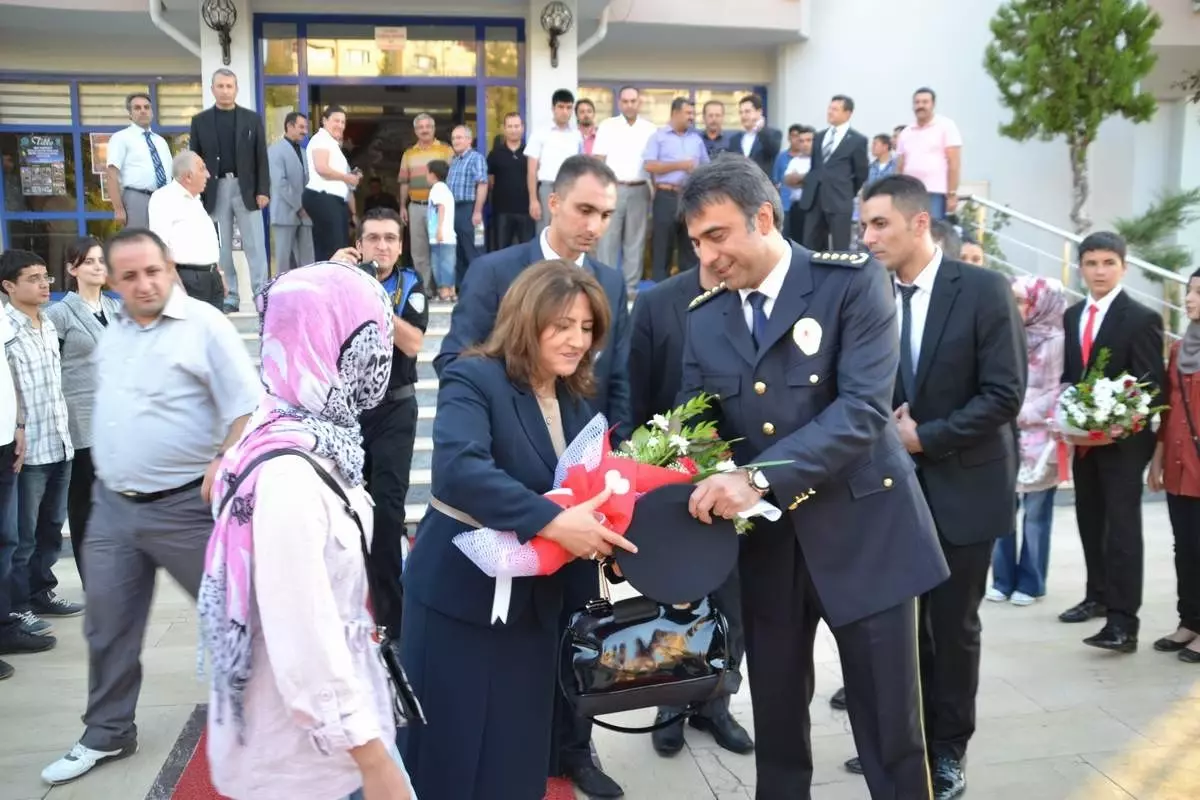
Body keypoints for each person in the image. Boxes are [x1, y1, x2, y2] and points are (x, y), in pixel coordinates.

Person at [677, 158, 948, 799]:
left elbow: (861, 411)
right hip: (770, 549)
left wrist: (756, 479)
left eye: (717, 236)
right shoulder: (705, 316)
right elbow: (696, 422)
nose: (707, 256)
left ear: (763, 217)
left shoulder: (850, 285)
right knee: (777, 726)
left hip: (866, 535)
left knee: (890, 730)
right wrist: (692, 472)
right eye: (695, 242)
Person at [399, 260, 634, 799]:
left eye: (587, 327)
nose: (578, 339)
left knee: (516, 750)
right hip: (460, 599)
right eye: (563, 324)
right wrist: (554, 522)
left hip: (534, 606)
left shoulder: (574, 400)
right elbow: (460, 470)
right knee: (446, 751)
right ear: (527, 318)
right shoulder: (474, 377)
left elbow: (587, 490)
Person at [41, 228, 260, 786]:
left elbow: (250, 408)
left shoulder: (204, 327)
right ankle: (108, 733)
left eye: (153, 271)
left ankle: (268, 723)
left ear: (170, 268)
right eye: (130, 276)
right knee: (107, 624)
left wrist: (224, 460)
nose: (143, 284)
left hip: (188, 507)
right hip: (112, 509)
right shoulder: (114, 329)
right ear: (113, 281)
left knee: (235, 618)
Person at [201, 260, 415, 800]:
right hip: (310, 758)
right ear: (332, 343)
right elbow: (304, 636)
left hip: (333, 728)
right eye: (369, 338)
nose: (380, 359)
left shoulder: (296, 428)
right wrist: (373, 759)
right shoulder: (287, 472)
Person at [860, 174, 1025, 800]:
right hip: (890, 496)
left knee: (951, 630)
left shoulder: (982, 289)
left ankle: (948, 751)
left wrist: (925, 437)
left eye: (880, 224)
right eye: (865, 225)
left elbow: (1004, 394)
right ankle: (905, 747)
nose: (868, 237)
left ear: (919, 223)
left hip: (964, 490)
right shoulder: (869, 294)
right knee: (895, 629)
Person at [628, 251, 754, 759]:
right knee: (673, 599)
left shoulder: (757, 298)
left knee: (733, 606)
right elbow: (635, 389)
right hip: (672, 481)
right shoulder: (660, 303)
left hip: (746, 486)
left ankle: (716, 704)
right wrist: (645, 467)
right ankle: (669, 705)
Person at [1058, 231, 1164, 654]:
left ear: (1124, 266)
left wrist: (1120, 422)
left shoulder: (1141, 318)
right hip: (1085, 440)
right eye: (1091, 263)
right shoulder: (1072, 315)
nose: (1099, 271)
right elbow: (1071, 375)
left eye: (1108, 263)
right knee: (1088, 518)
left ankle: (1124, 622)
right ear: (1080, 267)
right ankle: (1097, 595)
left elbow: (1152, 384)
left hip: (1123, 442)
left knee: (1121, 529)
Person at [331, 208, 427, 635]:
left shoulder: (409, 285)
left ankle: (393, 622)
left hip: (394, 410)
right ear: (360, 243)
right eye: (373, 238)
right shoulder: (338, 280)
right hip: (347, 413)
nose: (382, 246)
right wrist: (333, 277)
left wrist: (370, 298)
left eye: (390, 238)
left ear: (401, 246)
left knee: (387, 515)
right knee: (342, 514)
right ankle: (344, 611)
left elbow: (413, 342)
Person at [1, 250, 81, 638]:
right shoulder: (6, 330)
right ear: (9, 286)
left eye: (45, 276)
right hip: (27, 449)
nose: (44, 283)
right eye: (33, 278)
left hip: (60, 441)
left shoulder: (48, 324)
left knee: (51, 526)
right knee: (22, 536)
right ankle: (16, 608)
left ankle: (41, 591)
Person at [44, 238, 121, 587]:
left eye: (101, 261)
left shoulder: (116, 309)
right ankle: (94, 579)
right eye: (88, 262)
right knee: (85, 505)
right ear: (72, 269)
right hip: (81, 421)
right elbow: (50, 368)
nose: (97, 267)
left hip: (118, 422)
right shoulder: (59, 314)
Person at [988, 276, 1067, 607]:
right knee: (1001, 510)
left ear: (1040, 303)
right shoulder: (1005, 334)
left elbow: (1056, 389)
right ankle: (1002, 579)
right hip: (1005, 435)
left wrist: (1018, 410)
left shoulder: (1057, 340)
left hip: (1040, 437)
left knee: (1036, 515)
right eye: (1014, 300)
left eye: (1023, 300)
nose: (1017, 307)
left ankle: (1032, 582)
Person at [1149, 267, 1200, 664]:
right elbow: (1168, 413)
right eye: (1189, 291)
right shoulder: (1179, 348)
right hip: (1181, 467)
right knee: (1185, 547)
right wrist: (1156, 462)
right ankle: (1189, 622)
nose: (1189, 299)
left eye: (1198, 292)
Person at [188, 68, 270, 312]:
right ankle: (229, 296)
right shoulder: (200, 121)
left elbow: (261, 157)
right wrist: (197, 193)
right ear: (212, 89)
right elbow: (195, 158)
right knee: (221, 247)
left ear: (236, 89)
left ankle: (261, 295)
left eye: (229, 86)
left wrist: (263, 189)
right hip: (215, 188)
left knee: (255, 245)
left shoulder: (251, 119)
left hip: (247, 189)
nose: (225, 91)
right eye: (220, 86)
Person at [0, 254, 45, 679]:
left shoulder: (13, 321)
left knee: (9, 539)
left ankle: (6, 622)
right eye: (32, 278)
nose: (42, 284)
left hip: (6, 439)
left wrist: (17, 425)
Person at [593, 86, 657, 293]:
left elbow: (653, 163)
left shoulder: (650, 129)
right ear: (620, 103)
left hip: (640, 189)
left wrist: (654, 191)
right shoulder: (608, 126)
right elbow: (598, 161)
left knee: (635, 242)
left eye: (633, 101)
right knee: (607, 241)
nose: (629, 105)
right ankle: (607, 289)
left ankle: (630, 290)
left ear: (639, 103)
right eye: (625, 101)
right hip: (612, 190)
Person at [643, 97, 709, 282]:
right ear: (675, 113)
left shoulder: (696, 139)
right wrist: (680, 165)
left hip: (690, 198)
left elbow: (706, 167)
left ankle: (690, 294)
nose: (691, 117)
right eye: (688, 113)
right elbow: (650, 166)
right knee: (662, 246)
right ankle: (659, 293)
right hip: (666, 196)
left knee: (690, 246)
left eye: (692, 114)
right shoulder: (658, 137)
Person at [148, 151, 225, 310]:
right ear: (188, 176)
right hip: (188, 279)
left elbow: (205, 240)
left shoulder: (196, 199)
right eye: (202, 169)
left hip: (212, 278)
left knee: (213, 332)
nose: (208, 174)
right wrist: (175, 284)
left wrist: (219, 273)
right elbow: (159, 245)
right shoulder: (164, 198)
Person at [800, 95, 869, 251]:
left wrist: (846, 190)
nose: (830, 112)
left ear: (848, 113)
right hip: (815, 199)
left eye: (835, 109)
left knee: (840, 248)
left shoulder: (857, 140)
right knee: (810, 246)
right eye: (829, 108)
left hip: (839, 199)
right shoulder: (819, 137)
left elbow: (861, 173)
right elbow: (815, 167)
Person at [399, 114, 454, 290]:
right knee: (419, 251)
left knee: (441, 249)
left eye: (428, 126)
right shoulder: (409, 154)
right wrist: (402, 206)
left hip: (439, 209)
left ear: (433, 128)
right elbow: (404, 182)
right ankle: (424, 290)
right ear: (415, 131)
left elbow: (452, 179)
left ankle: (443, 289)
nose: (424, 130)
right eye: (420, 127)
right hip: (415, 206)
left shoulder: (446, 150)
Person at [104, 92, 172, 229]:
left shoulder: (160, 142)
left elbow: (170, 174)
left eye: (147, 107)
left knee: (162, 243)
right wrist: (118, 208)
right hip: (137, 198)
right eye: (137, 108)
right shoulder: (121, 138)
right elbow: (112, 175)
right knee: (138, 242)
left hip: (163, 199)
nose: (143, 111)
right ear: (130, 114)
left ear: (152, 112)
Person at [303, 105, 360, 262]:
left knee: (338, 246)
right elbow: (321, 168)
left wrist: (350, 178)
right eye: (336, 120)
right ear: (324, 121)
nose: (340, 125)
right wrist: (347, 178)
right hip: (323, 198)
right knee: (332, 248)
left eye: (343, 122)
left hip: (334, 200)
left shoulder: (332, 143)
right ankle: (327, 283)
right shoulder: (321, 139)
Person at [896, 88, 963, 221]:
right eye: (917, 102)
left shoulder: (946, 126)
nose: (920, 106)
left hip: (935, 193)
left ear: (933, 104)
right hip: (910, 194)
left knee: (934, 234)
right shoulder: (906, 132)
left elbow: (954, 163)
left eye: (925, 102)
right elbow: (900, 165)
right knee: (911, 234)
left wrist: (952, 194)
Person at [525, 89, 584, 234]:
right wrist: (533, 200)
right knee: (545, 232)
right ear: (553, 108)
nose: (565, 112)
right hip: (547, 188)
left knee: (568, 231)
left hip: (570, 189)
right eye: (561, 107)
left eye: (569, 107)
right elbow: (532, 170)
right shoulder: (540, 133)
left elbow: (580, 166)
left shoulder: (576, 135)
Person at [267, 111, 314, 273]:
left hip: (305, 217)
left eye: (306, 127)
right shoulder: (274, 151)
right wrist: (299, 207)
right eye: (301, 127)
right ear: (289, 126)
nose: (305, 131)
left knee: (308, 263)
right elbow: (280, 183)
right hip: (284, 215)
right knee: (283, 263)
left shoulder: (303, 152)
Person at [447, 125, 488, 289]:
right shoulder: (455, 161)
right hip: (453, 210)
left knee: (474, 250)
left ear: (469, 140)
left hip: (469, 209)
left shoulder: (476, 158)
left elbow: (482, 184)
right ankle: (464, 288)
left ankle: (481, 287)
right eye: (454, 138)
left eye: (459, 137)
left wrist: (477, 211)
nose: (455, 141)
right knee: (459, 252)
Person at [487, 112, 534, 251]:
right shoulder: (495, 153)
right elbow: (490, 181)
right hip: (502, 212)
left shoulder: (531, 152)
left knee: (527, 251)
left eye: (517, 126)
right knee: (501, 250)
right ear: (504, 129)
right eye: (510, 126)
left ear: (523, 128)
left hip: (526, 211)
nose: (514, 130)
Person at [772, 124, 814, 243]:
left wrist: (800, 179)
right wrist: (808, 178)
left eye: (809, 140)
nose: (804, 144)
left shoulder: (819, 161)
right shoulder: (795, 161)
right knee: (794, 241)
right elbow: (787, 180)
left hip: (814, 208)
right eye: (801, 141)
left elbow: (815, 180)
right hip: (795, 206)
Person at [727, 95, 782, 177]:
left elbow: (773, 150)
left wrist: (761, 129)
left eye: (747, 111)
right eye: (741, 112)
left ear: (759, 112)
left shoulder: (773, 134)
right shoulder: (734, 139)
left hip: (762, 186)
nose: (743, 116)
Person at [425, 160, 457, 302]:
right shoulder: (445, 189)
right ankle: (450, 291)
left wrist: (439, 229)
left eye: (427, 173)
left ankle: (444, 292)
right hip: (446, 236)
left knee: (440, 263)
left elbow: (441, 208)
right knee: (447, 263)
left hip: (442, 236)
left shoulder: (437, 188)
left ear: (433, 175)